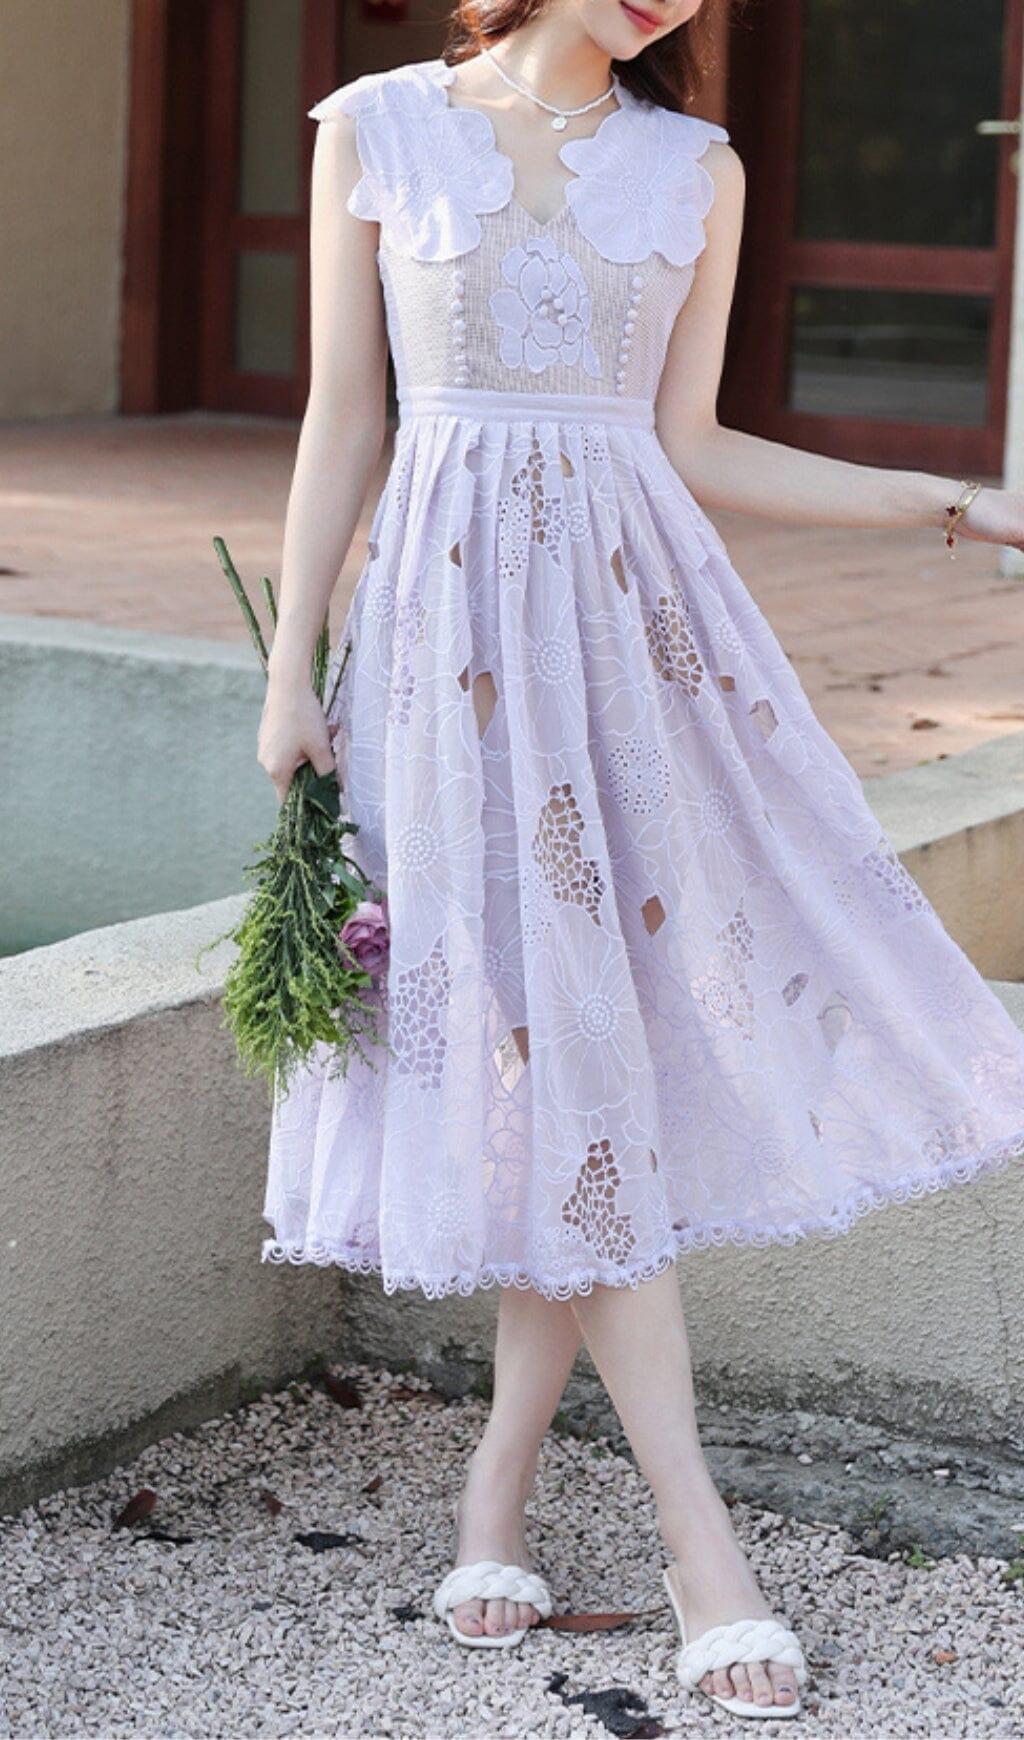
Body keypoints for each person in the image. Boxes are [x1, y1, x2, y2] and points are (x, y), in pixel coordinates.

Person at [256, 0, 1024, 1719]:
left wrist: (952, 501)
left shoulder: (698, 166)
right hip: (445, 655)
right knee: (553, 1069)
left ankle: (526, 1501)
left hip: (632, 648)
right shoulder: (376, 124)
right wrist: (290, 666)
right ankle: (682, 1544)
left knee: (586, 1074)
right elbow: (343, 416)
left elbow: (694, 444)